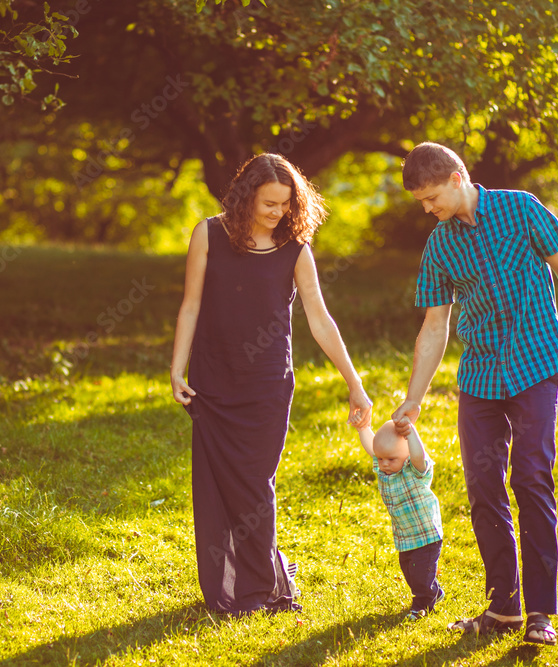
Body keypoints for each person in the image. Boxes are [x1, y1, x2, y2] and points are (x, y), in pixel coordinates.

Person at [391, 142, 558, 645]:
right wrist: (415, 397)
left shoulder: (521, 208)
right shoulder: (440, 244)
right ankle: (503, 608)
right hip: (481, 376)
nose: (428, 208)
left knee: (530, 479)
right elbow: (435, 326)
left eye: (433, 196)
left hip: (536, 363)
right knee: (484, 489)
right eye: (421, 201)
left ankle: (541, 614)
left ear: (458, 178)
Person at [170, 153, 373, 615]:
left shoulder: (296, 249)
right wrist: (176, 369)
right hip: (213, 380)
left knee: (256, 484)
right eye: (268, 203)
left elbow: (321, 320)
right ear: (246, 197)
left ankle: (262, 588)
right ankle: (250, 582)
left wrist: (354, 383)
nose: (277, 213)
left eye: (285, 204)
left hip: (267, 384)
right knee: (220, 485)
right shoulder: (208, 234)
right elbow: (190, 305)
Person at [355, 419, 444, 620]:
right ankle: (434, 592)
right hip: (405, 537)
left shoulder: (414, 470)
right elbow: (373, 448)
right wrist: (363, 428)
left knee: (420, 576)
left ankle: (423, 605)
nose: (384, 464)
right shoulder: (386, 467)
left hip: (426, 534)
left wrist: (410, 433)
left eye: (391, 459)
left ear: (406, 454)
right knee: (410, 573)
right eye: (381, 459)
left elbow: (418, 454)